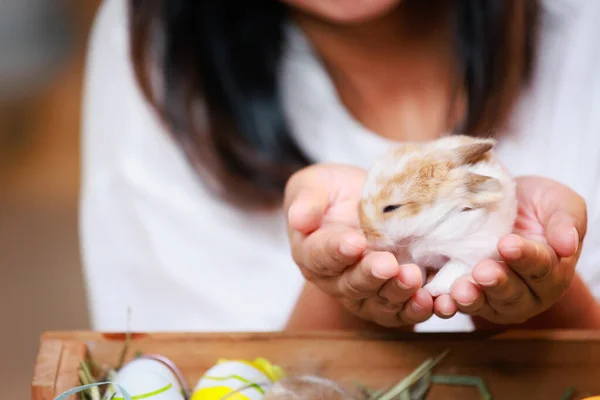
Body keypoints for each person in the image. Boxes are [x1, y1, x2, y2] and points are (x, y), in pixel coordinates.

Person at [80, 0, 600, 333]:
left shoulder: (579, 32)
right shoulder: (159, 49)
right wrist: (341, 304)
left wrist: (545, 303)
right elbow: (186, 373)